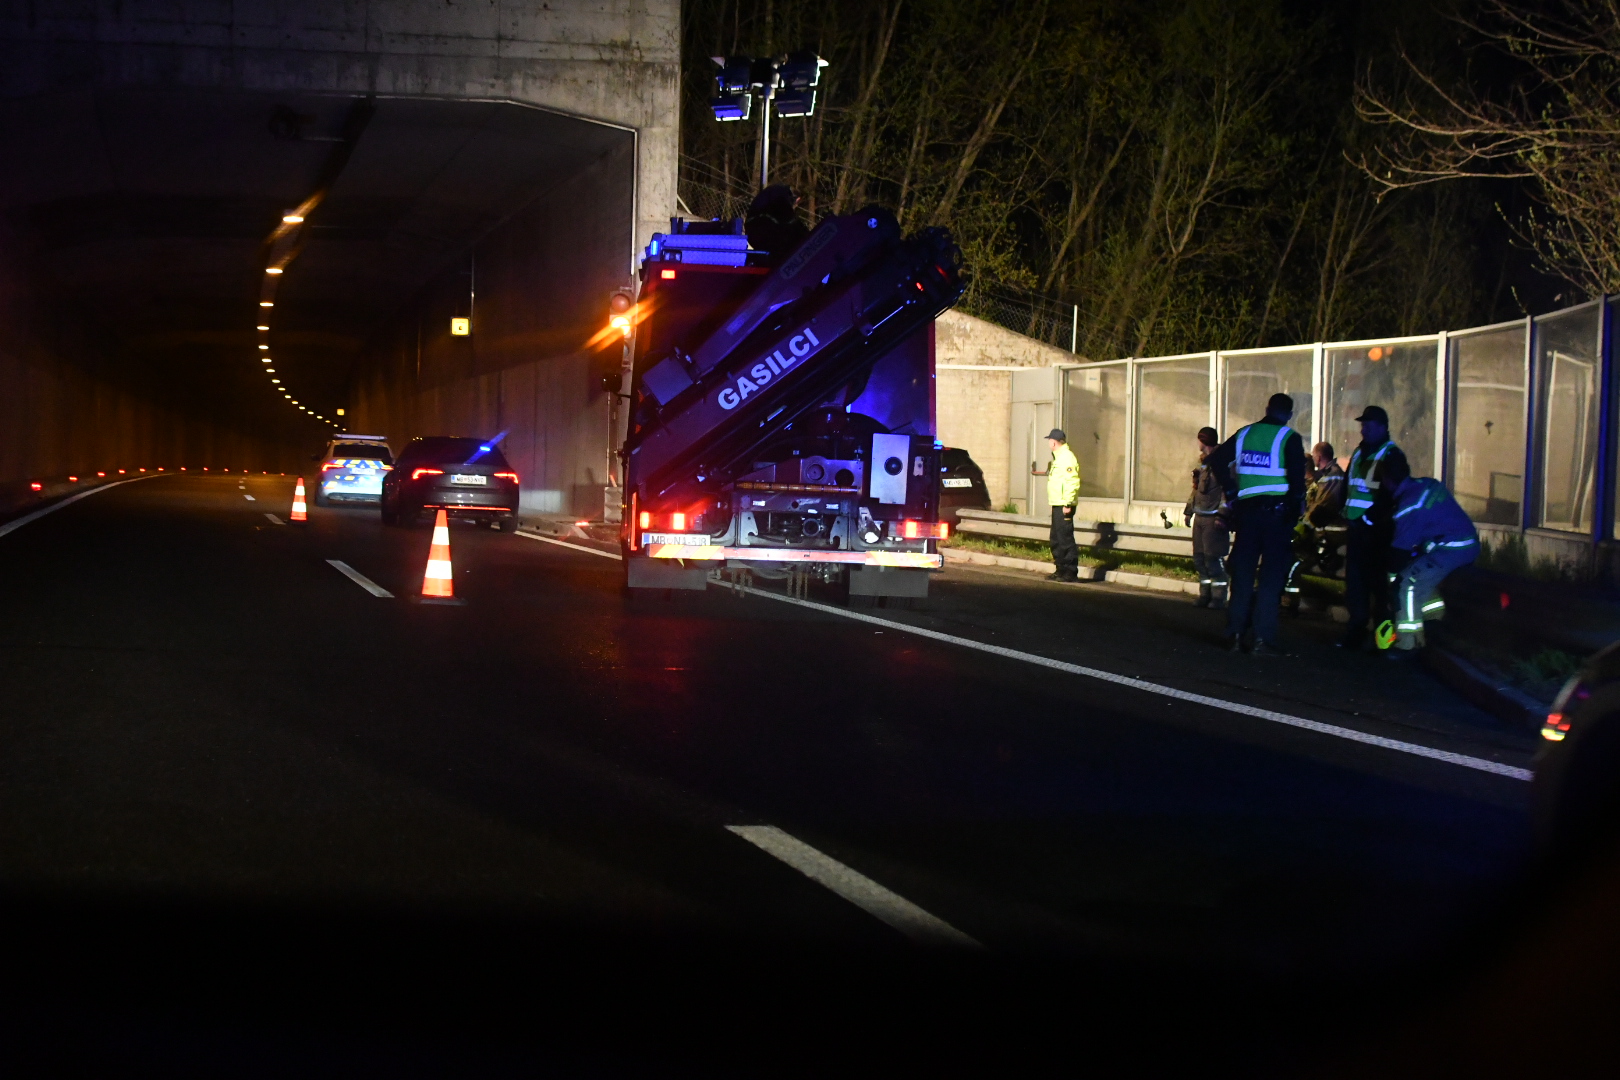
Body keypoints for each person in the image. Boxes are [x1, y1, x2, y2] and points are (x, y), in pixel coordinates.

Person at [1207, 393, 1306, 655]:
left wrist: (1231, 491)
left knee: (1242, 576)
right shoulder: (1289, 438)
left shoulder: (1245, 434)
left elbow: (1216, 459)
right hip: (1276, 517)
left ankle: (1236, 636)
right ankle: (1262, 639)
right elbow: (1297, 483)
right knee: (1270, 580)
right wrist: (1294, 511)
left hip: (1247, 516)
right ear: (1289, 414)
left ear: (1267, 408)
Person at [1381, 455, 1478, 654]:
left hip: (1451, 549)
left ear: (1388, 481)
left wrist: (1392, 584)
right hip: (1465, 543)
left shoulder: (1408, 506)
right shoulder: (1426, 484)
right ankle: (1434, 622)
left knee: (1407, 583)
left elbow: (1400, 552)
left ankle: (1408, 643)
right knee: (1421, 576)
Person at [1337, 406, 1408, 650]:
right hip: (1357, 531)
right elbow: (1349, 486)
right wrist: (1343, 513)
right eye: (1362, 425)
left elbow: (1394, 495)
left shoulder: (1391, 455)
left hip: (1378, 534)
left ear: (1382, 427)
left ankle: (1383, 643)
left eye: (1368, 425)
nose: (1363, 429)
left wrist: (1371, 519)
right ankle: (1355, 635)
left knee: (1379, 589)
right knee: (1356, 586)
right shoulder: (1358, 453)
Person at [1284, 441, 1348, 603]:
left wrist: (1305, 525)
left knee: (1297, 558)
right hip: (1320, 529)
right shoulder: (1325, 476)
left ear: (1319, 457)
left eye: (1314, 455)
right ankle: (1288, 598)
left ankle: (1290, 599)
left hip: (1328, 531)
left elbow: (1322, 506)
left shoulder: (1333, 476)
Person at [1183, 427, 1229, 608]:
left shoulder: (1222, 462)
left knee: (1213, 558)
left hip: (1213, 519)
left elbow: (1227, 492)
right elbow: (1196, 489)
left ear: (1203, 440)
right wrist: (1189, 511)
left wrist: (1222, 515)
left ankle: (1219, 597)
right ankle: (1205, 594)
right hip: (1200, 517)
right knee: (1200, 558)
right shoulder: (1203, 463)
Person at [1045, 428, 1081, 582]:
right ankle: (1060, 569)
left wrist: (1067, 503)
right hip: (1057, 503)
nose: (1048, 443)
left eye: (1049, 440)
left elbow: (1072, 482)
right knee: (1056, 539)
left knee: (1065, 539)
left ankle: (1070, 572)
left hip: (1064, 505)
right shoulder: (1059, 458)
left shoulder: (1067, 458)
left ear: (1053, 442)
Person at [745, 185, 810, 264]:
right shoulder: (781, 199)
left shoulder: (776, 194)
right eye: (795, 203)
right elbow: (789, 219)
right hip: (762, 232)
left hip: (756, 230)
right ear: (797, 199)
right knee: (792, 232)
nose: (794, 206)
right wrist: (806, 235)